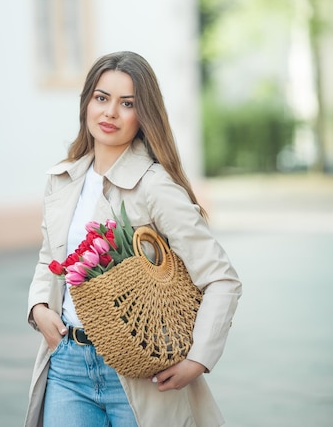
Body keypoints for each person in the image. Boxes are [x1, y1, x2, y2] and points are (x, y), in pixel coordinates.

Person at [24, 51, 242, 427]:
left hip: (137, 372)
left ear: (144, 116)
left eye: (127, 104)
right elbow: (50, 257)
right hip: (67, 364)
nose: (110, 113)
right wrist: (39, 307)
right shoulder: (63, 179)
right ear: (86, 103)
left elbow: (221, 277)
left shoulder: (155, 185)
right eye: (101, 98)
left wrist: (198, 359)